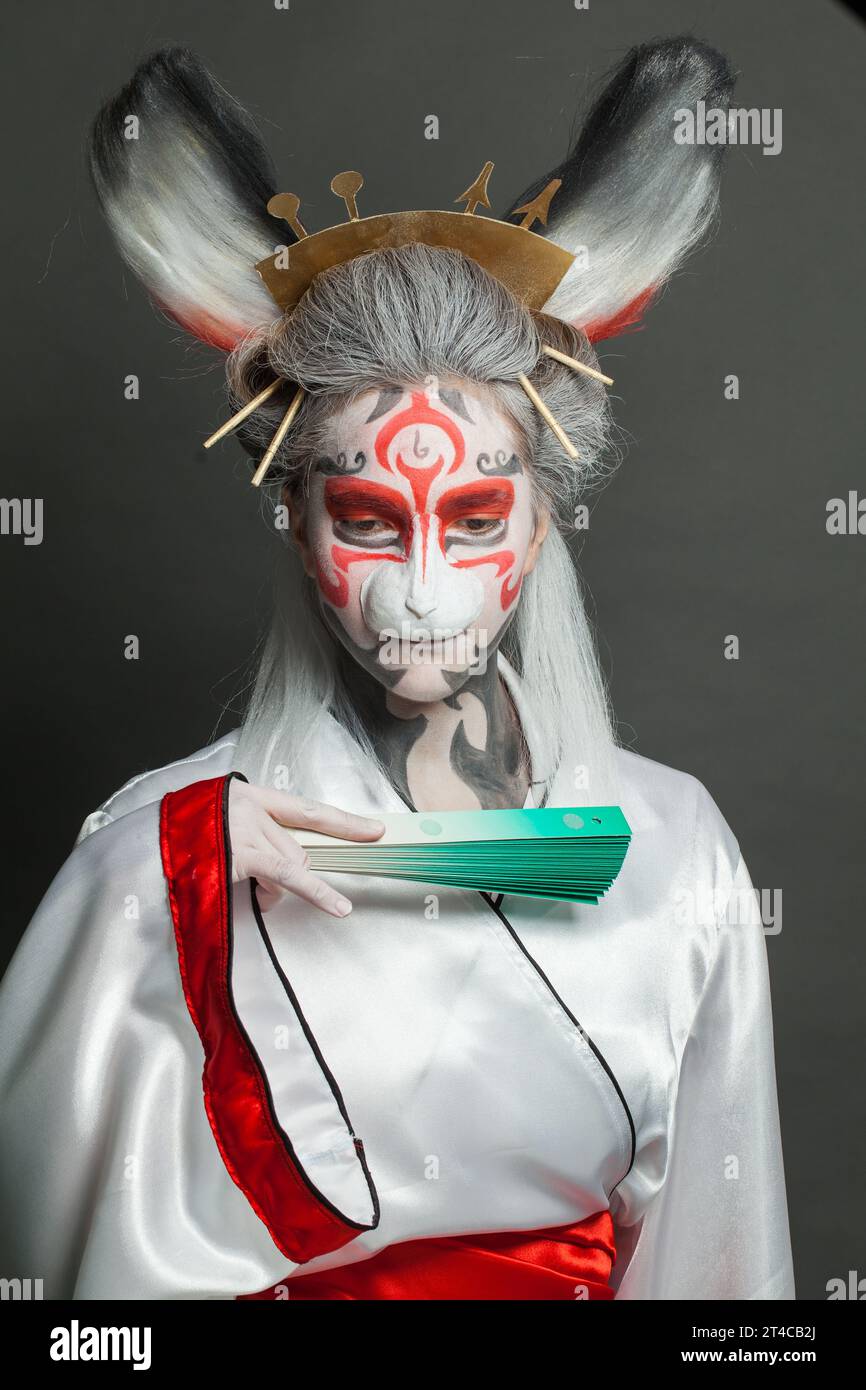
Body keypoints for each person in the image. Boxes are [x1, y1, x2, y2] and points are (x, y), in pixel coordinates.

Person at [0, 39, 795, 1300]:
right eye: (368, 519)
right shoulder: (165, 855)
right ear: (297, 518)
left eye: (474, 518)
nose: (421, 595)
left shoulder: (674, 846)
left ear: (537, 520)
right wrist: (159, 874)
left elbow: (717, 1272)